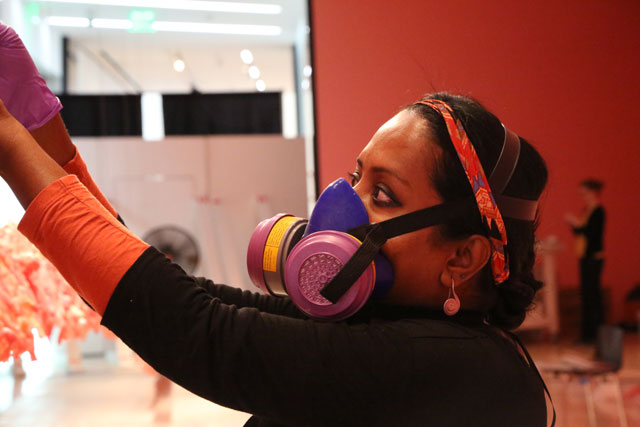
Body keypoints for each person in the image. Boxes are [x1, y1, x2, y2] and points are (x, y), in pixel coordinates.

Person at [0, 24, 553, 426]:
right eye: (355, 177)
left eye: (381, 194)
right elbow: (177, 295)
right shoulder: (379, 319)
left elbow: (196, 334)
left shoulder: (459, 365)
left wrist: (8, 141)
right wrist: (40, 129)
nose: (342, 204)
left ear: (463, 257)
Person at [565, 179, 606, 343]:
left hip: (593, 258)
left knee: (593, 296)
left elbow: (591, 233)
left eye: (584, 192)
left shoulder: (598, 211)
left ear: (593, 192)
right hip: (584, 257)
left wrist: (575, 223)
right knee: (587, 296)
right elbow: (580, 232)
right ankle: (588, 335)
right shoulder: (587, 210)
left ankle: (595, 335)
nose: (582, 195)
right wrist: (573, 224)